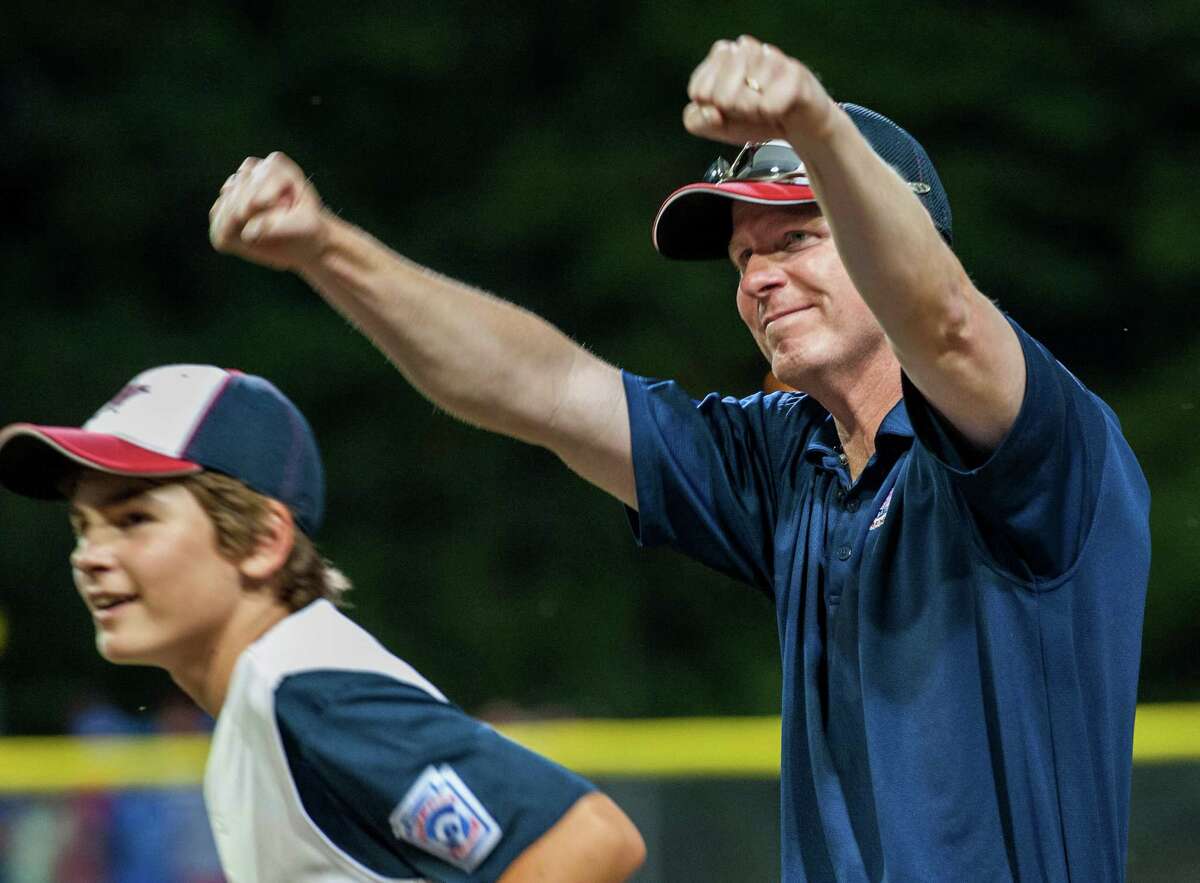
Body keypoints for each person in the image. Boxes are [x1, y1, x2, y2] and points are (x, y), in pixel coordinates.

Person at [207, 35, 1150, 882]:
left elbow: (942, 324)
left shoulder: (1039, 439)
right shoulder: (792, 460)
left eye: (798, 237)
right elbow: (544, 390)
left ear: (897, 234)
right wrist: (329, 251)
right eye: (743, 258)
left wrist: (817, 125)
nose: (759, 276)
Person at [0, 366, 645, 882]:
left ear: (260, 541)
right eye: (83, 528)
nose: (91, 556)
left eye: (133, 520)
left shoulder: (304, 687)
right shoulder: (267, 698)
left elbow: (585, 841)